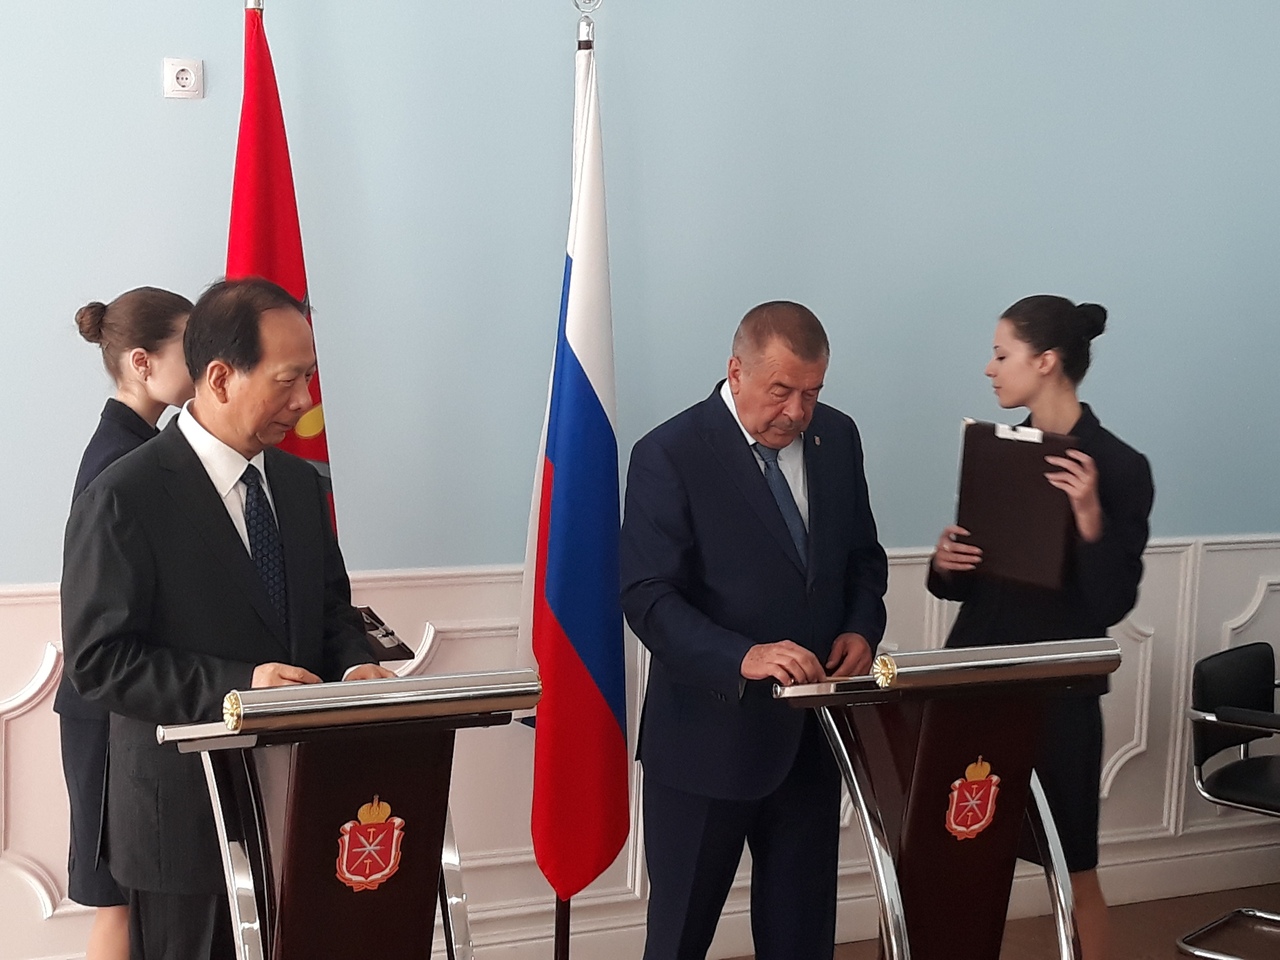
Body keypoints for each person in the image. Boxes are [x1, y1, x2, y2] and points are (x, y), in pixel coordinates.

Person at [60, 277, 396, 960]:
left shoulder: (299, 485)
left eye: (309, 377)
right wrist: (241, 687)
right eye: (288, 380)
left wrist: (356, 663)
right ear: (219, 378)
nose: (305, 403)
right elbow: (99, 661)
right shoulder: (124, 495)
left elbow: (330, 608)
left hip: (306, 811)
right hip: (186, 832)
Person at [620, 301, 888, 960]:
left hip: (812, 741)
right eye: (781, 391)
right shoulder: (669, 453)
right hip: (705, 744)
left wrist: (861, 627)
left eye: (812, 392)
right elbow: (647, 596)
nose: (797, 412)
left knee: (802, 940)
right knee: (678, 939)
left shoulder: (838, 438)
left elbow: (863, 558)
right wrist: (741, 656)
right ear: (736, 372)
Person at [928, 295, 1154, 960]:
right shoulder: (998, 452)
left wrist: (1088, 514)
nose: (990, 368)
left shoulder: (1121, 467)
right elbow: (968, 583)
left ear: (1046, 361)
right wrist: (947, 563)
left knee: (1073, 867)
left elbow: (1110, 602)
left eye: (1002, 354)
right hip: (973, 681)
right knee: (956, 857)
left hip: (1060, 697)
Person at [56, 287, 195, 960]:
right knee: (119, 908)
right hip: (107, 715)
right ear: (142, 362)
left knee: (131, 910)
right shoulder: (121, 462)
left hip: (118, 712)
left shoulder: (137, 445)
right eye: (190, 348)